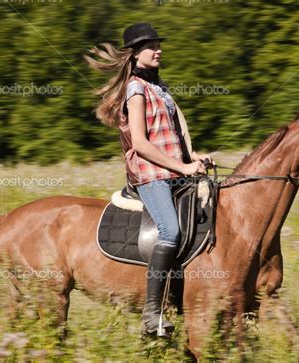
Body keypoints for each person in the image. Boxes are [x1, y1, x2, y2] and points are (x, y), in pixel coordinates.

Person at [85, 23, 213, 336]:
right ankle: (152, 314)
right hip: (151, 175)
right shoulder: (135, 88)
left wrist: (192, 157)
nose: (158, 50)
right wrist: (182, 169)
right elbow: (141, 143)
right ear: (135, 53)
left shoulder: (159, 86)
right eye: (151, 46)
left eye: (158, 44)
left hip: (173, 169)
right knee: (170, 229)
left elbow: (172, 132)